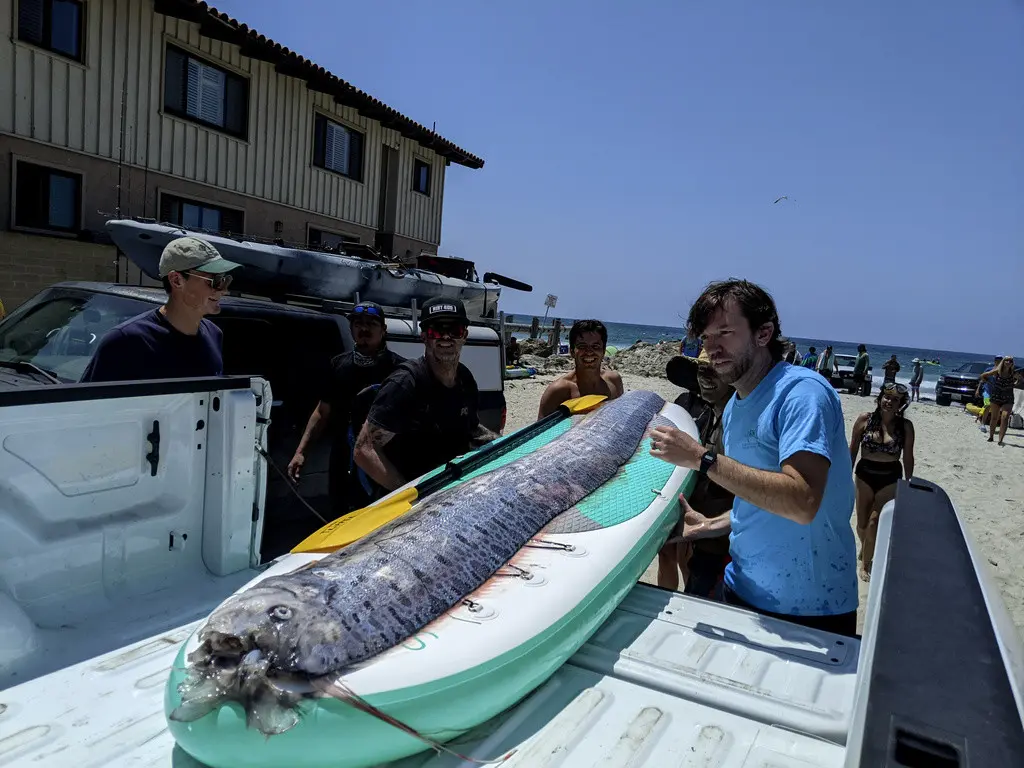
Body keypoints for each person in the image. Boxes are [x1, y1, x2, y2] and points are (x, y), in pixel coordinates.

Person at [649, 279, 858, 637]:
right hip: (740, 588)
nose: (712, 348)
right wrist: (711, 525)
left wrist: (702, 458)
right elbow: (760, 496)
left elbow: (802, 500)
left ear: (763, 334)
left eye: (725, 333)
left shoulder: (801, 394)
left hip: (810, 608)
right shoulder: (735, 407)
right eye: (706, 337)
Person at [354, 298, 500, 490]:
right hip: (413, 498)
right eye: (436, 330)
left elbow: (472, 429)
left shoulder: (465, 379)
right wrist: (409, 494)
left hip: (450, 487)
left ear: (464, 335)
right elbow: (364, 450)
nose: (445, 338)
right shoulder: (405, 383)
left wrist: (506, 445)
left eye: (454, 330)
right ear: (424, 336)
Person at [287, 302, 406, 515]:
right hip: (344, 461)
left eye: (371, 324)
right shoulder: (338, 366)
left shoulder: (401, 370)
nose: (364, 329)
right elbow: (322, 412)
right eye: (358, 324)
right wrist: (301, 452)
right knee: (342, 516)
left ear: (384, 330)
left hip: (384, 459)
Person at [80, 237, 241, 382]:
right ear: (176, 280)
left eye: (226, 280)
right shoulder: (125, 341)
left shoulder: (214, 334)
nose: (223, 290)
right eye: (215, 280)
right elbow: (86, 408)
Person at [658, 348, 735, 597]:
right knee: (674, 557)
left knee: (698, 581)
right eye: (703, 370)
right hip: (689, 506)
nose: (707, 378)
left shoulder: (738, 419)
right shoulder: (691, 405)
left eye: (715, 371)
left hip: (719, 528)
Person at [849, 383, 915, 580]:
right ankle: (866, 547)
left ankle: (865, 563)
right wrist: (846, 473)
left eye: (895, 400)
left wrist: (909, 482)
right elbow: (852, 449)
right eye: (887, 397)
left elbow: (909, 456)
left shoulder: (905, 427)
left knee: (874, 521)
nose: (889, 401)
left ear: (901, 405)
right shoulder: (864, 420)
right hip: (865, 474)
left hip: (890, 476)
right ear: (880, 399)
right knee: (861, 523)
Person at [536, 319, 624, 419]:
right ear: (572, 351)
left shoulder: (614, 380)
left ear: (603, 351)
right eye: (582, 346)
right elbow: (540, 431)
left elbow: (620, 419)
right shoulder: (559, 390)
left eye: (595, 346)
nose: (589, 352)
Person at [977, 356, 1017, 446]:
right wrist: (989, 382)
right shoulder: (997, 371)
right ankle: (991, 436)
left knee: (1005, 417)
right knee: (994, 417)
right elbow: (983, 375)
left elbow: (1021, 380)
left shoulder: (1014, 373)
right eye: (1006, 360)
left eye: (1010, 361)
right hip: (996, 396)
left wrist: (1015, 384)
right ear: (1003, 362)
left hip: (1008, 397)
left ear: (1012, 363)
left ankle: (1000, 439)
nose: (1008, 362)